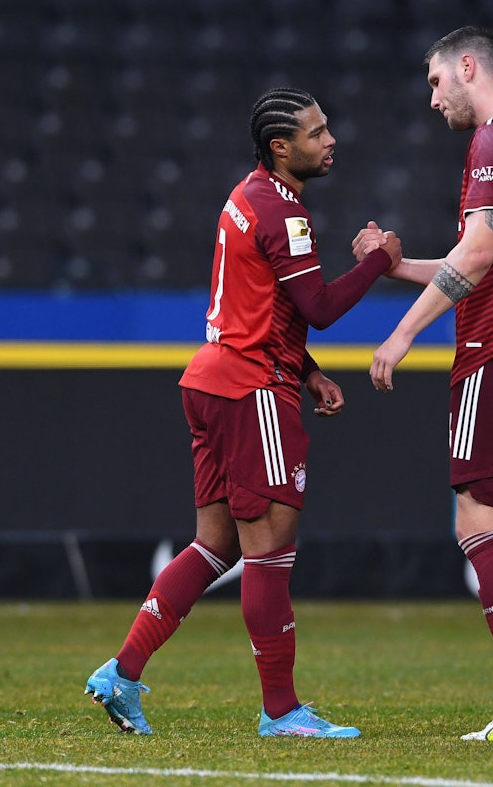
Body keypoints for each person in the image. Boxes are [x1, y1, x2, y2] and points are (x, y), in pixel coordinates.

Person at [85, 87, 401, 738]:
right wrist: (378, 263)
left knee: (215, 545)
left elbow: (255, 304)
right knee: (269, 552)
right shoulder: (282, 212)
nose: (330, 139)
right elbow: (315, 307)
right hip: (251, 388)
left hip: (212, 377)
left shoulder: (245, 195)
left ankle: (121, 672)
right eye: (316, 133)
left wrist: (307, 371)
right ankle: (281, 711)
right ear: (280, 148)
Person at [353, 27, 493, 741]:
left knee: (478, 523)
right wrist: (397, 270)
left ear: (465, 66)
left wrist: (403, 331)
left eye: (433, 82)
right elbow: (486, 252)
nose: (431, 99)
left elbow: (480, 252)